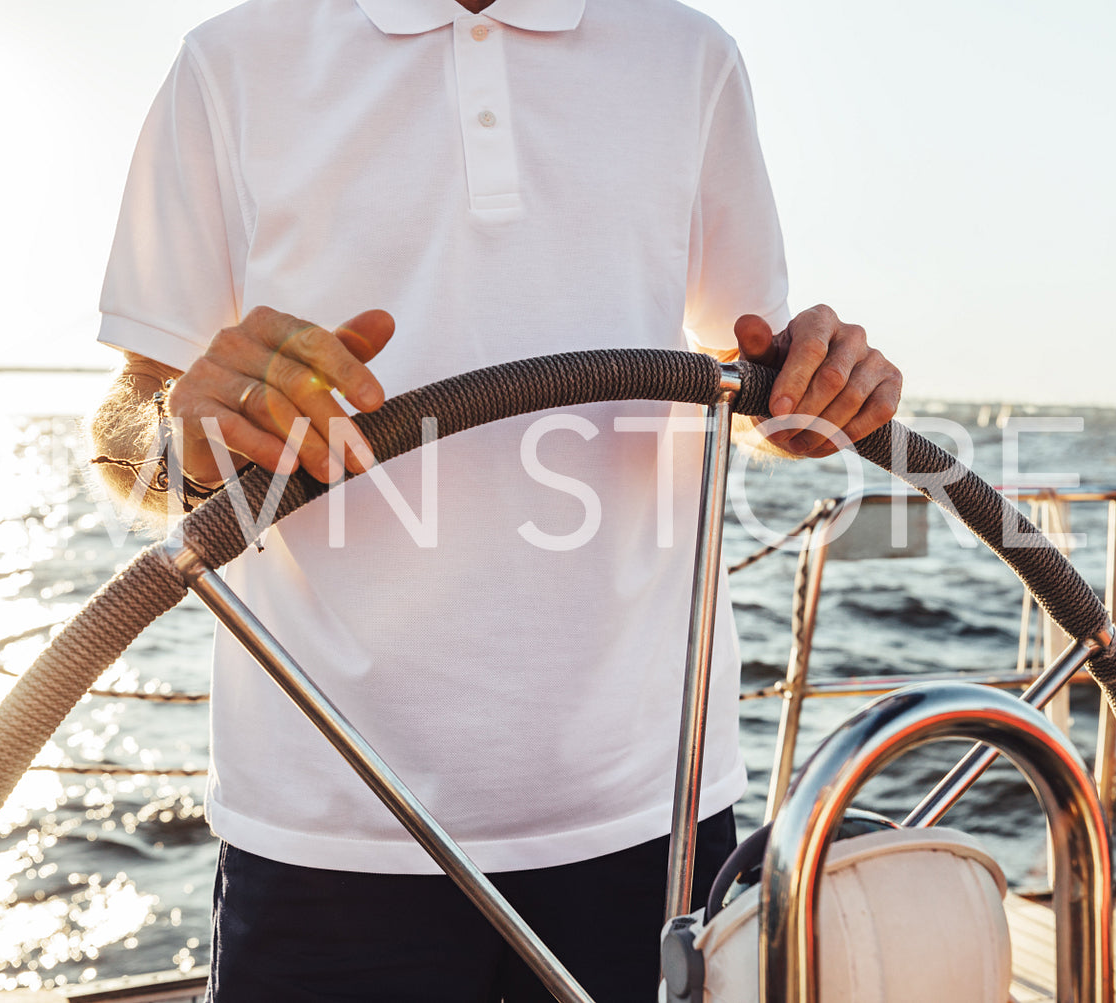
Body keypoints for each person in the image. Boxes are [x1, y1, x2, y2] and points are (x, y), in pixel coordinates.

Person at [89, 0, 902, 999]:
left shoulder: (690, 59)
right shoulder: (229, 63)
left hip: (652, 811)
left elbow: (750, 385)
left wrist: (811, 395)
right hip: (327, 828)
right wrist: (190, 430)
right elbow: (131, 436)